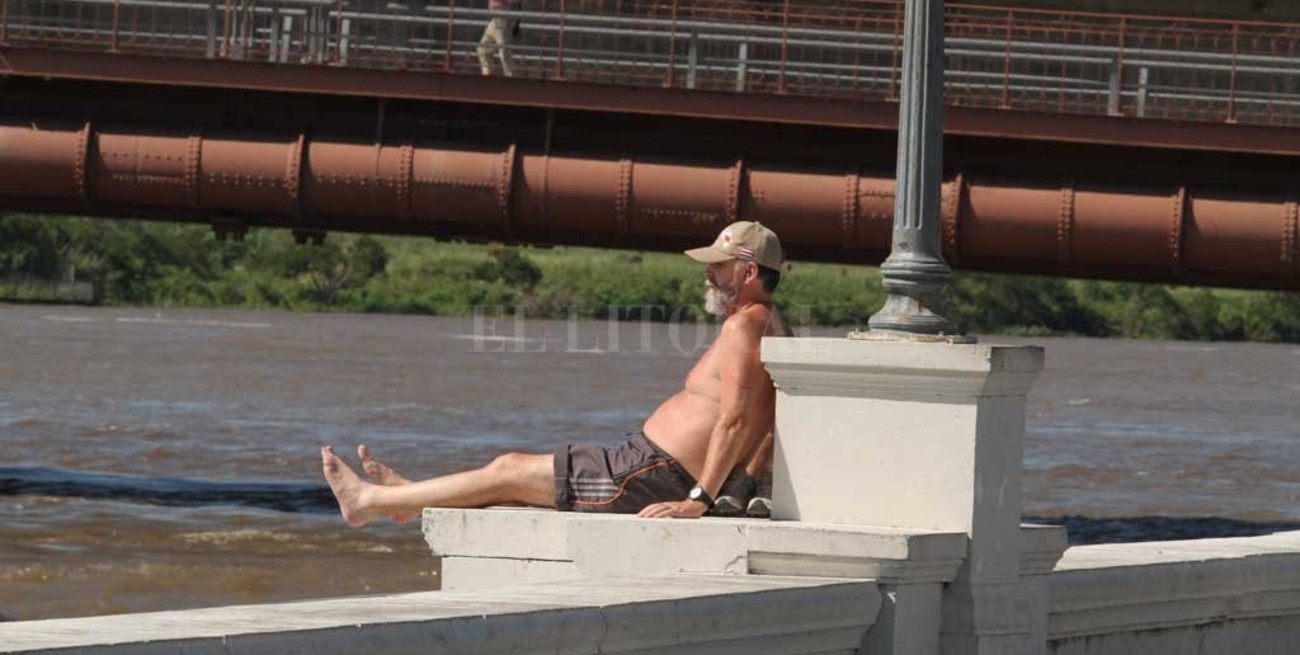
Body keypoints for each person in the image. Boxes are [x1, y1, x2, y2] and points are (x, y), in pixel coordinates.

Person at [321, 221, 789, 525]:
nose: (708, 275)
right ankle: (411, 500)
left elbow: (735, 419)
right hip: (643, 465)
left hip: (649, 474)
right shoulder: (772, 322)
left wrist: (699, 499)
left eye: (718, 266)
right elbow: (766, 421)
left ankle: (368, 503)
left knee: (509, 470)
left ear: (748, 272)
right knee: (516, 488)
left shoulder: (743, 327)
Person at [478, 0, 520, 77]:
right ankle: (487, 76)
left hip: (503, 19)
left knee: (504, 53)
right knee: (483, 49)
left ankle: (511, 79)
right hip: (495, 20)